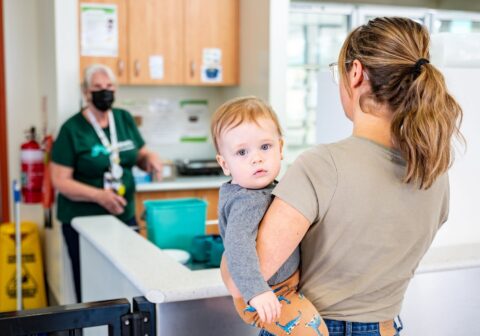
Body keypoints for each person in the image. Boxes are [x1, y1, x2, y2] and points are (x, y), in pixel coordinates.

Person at [221, 17, 464, 336]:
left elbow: (240, 280)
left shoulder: (321, 165)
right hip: (386, 328)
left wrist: (237, 215)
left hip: (313, 327)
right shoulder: (433, 171)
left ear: (356, 73)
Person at [211, 96, 329, 336]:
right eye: (242, 152)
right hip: (268, 292)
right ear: (225, 164)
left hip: (283, 285)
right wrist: (256, 292)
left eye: (265, 147)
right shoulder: (246, 200)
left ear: (281, 148)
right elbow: (237, 245)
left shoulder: (266, 188)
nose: (257, 158)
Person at [51, 64, 163, 302]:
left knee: (129, 281)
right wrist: (98, 196)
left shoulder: (123, 119)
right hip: (84, 224)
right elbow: (60, 181)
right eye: (98, 87)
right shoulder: (72, 129)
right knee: (93, 287)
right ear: (85, 92)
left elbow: (139, 155)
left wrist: (150, 159)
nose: (105, 91)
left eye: (109, 86)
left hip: (124, 217)